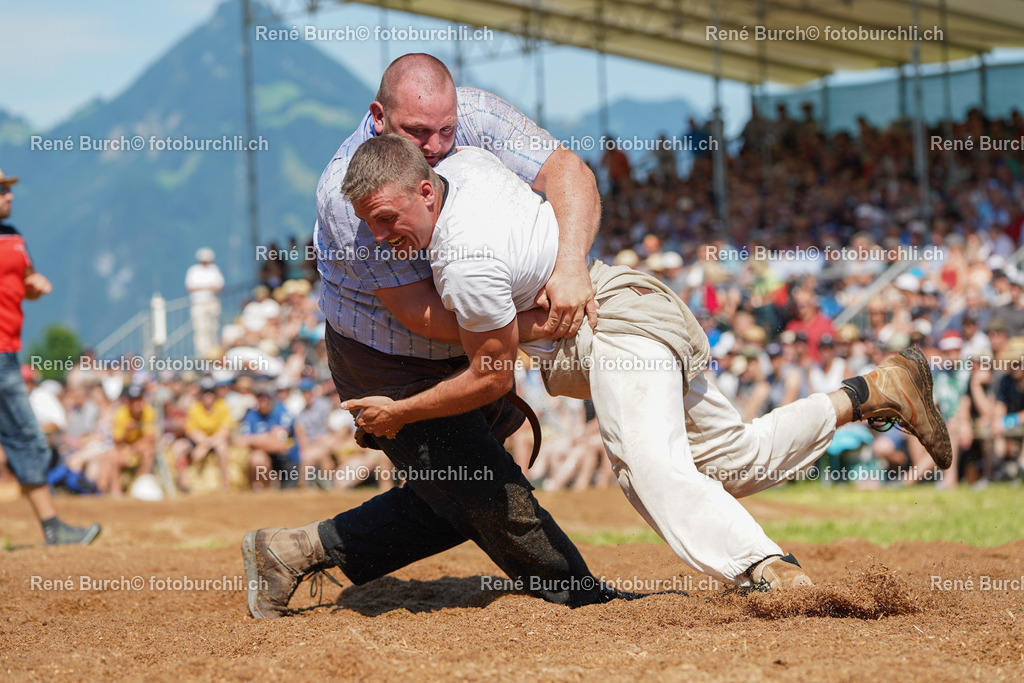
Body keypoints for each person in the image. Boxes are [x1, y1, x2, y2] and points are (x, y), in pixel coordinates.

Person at [339, 135, 953, 590]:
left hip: (618, 331)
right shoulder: (466, 165)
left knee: (648, 470)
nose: (381, 237)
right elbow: (563, 174)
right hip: (633, 304)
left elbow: (491, 376)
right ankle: (871, 390)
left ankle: (768, 571)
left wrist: (402, 411)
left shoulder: (461, 263)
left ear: (425, 190)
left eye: (388, 219)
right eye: (370, 226)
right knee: (731, 460)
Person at [242, 53, 617, 619]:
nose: (438, 145)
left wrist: (569, 266)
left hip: (463, 335)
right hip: (385, 359)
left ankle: (291, 550)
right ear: (379, 115)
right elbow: (425, 315)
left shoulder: (476, 113)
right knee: (491, 494)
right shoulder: (353, 200)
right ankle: (584, 602)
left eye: (446, 129)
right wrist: (534, 324)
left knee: (454, 492)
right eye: (419, 132)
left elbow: (571, 173)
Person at [0, 167, 100, 545]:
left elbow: (24, 281)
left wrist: (34, 286)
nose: (9, 196)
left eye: (9, 189)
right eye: (1, 190)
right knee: (27, 438)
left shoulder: (13, 236)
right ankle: (52, 528)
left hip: (8, 351)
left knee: (25, 439)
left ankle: (53, 527)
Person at [185, 247, 224, 359]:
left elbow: (218, 287)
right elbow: (190, 287)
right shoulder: (193, 270)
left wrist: (201, 288)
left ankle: (214, 354)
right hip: (198, 304)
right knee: (200, 330)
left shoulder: (215, 270)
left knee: (212, 328)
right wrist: (208, 287)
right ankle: (202, 355)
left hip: (212, 302)